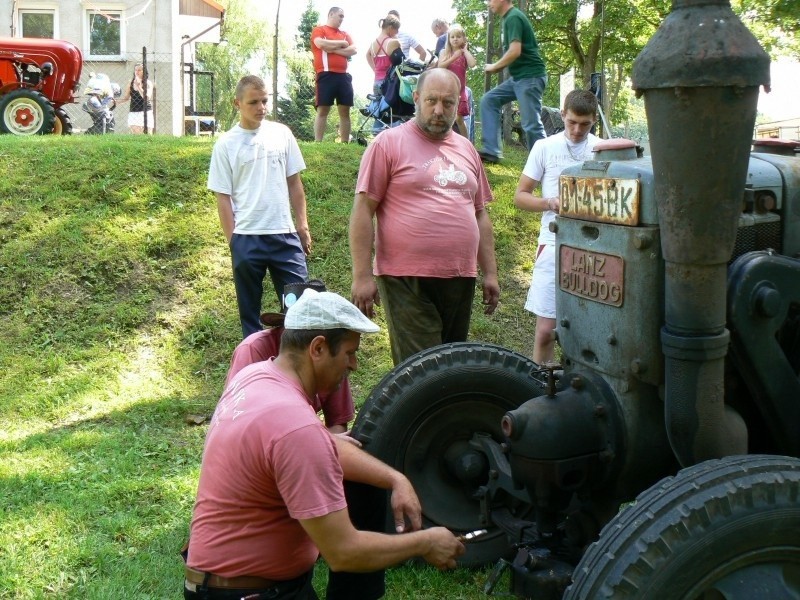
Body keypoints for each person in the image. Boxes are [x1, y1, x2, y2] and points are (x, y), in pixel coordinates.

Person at [185, 289, 465, 600]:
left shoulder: (255, 377)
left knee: (365, 476)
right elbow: (344, 553)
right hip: (251, 593)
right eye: (349, 353)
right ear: (318, 348)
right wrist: (426, 542)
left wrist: (394, 478)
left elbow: (325, 445)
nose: (354, 365)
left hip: (223, 584)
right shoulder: (293, 424)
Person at [350, 68, 500, 366]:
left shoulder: (467, 149)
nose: (438, 110)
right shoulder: (388, 143)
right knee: (423, 370)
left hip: (460, 275)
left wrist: (491, 273)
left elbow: (480, 214)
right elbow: (363, 210)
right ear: (416, 98)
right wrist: (362, 275)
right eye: (431, 100)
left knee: (451, 364)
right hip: (406, 276)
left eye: (447, 103)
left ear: (458, 105)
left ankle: (446, 415)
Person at [208, 75, 312, 339]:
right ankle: (253, 372)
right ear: (237, 103)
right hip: (247, 239)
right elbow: (223, 197)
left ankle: (296, 372)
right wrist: (234, 242)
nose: (261, 107)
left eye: (265, 100)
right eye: (253, 102)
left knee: (300, 311)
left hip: (285, 237)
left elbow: (295, 185)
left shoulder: (282, 134)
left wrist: (302, 225)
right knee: (250, 317)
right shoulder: (226, 144)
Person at [514, 89, 599, 364]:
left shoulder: (600, 150)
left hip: (595, 250)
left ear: (594, 120)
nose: (576, 130)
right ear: (562, 114)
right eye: (571, 121)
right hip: (553, 245)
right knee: (545, 332)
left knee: (592, 332)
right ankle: (541, 388)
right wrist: (550, 203)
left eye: (584, 124)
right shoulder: (544, 147)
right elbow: (521, 196)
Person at [224, 280, 360, 445]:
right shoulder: (253, 349)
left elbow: (337, 423)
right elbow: (240, 422)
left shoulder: (333, 356)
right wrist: (323, 442)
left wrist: (327, 445)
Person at [478, 0, 548, 164]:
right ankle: (491, 151)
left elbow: (515, 51)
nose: (488, 3)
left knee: (531, 125)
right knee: (489, 100)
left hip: (530, 77)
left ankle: (544, 164)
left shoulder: (513, 17)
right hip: (518, 79)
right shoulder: (507, 19)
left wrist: (495, 66)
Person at [311, 7, 357, 143]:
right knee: (323, 109)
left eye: (343, 17)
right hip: (325, 75)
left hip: (344, 76)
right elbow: (320, 43)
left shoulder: (344, 33)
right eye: (340, 16)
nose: (342, 19)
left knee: (345, 110)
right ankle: (318, 142)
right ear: (331, 14)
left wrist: (331, 49)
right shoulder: (319, 30)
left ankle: (344, 143)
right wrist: (342, 44)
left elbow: (353, 49)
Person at [436, 24, 476, 138]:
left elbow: (473, 64)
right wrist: (454, 57)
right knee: (446, 116)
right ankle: (445, 139)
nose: (455, 39)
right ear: (449, 39)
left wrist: (465, 51)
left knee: (459, 118)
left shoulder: (464, 54)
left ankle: (466, 143)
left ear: (463, 39)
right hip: (446, 89)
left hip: (460, 90)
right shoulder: (445, 52)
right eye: (452, 37)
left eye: (458, 36)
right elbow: (440, 67)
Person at [366, 14, 402, 94]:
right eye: (396, 29)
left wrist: (375, 69)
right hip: (389, 84)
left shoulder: (373, 44)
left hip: (376, 83)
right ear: (390, 28)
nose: (397, 32)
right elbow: (401, 63)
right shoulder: (393, 42)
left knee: (378, 106)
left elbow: (367, 55)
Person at [117, 63, 155, 134]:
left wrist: (139, 87)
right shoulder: (130, 83)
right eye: (136, 70)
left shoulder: (148, 83)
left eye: (139, 70)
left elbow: (147, 97)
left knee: (148, 134)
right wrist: (117, 102)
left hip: (146, 111)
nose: (137, 72)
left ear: (144, 71)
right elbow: (126, 98)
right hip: (133, 111)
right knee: (137, 134)